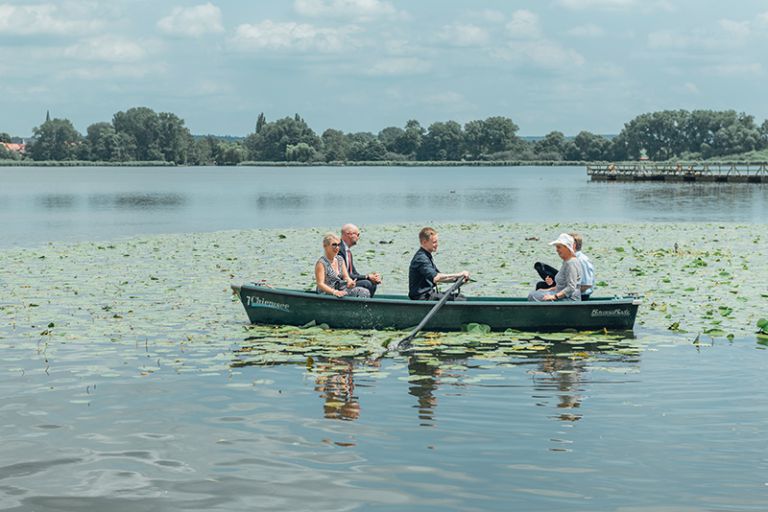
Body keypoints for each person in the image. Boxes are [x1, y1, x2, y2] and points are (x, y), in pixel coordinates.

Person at [408, 227, 470, 300]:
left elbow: (440, 278)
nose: (437, 244)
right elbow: (437, 277)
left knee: (460, 297)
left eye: (437, 242)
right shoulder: (421, 258)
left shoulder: (426, 256)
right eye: (434, 242)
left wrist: (457, 280)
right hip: (422, 297)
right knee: (460, 300)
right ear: (424, 242)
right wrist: (459, 274)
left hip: (429, 294)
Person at [533, 232, 595, 299]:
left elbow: (587, 285)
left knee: (538, 291)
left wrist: (560, 294)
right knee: (540, 276)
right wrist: (550, 289)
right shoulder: (569, 259)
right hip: (567, 289)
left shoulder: (582, 260)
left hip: (580, 296)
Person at [528, 233, 581, 302]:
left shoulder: (571, 263)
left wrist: (554, 296)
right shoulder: (567, 262)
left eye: (559, 247)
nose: (557, 250)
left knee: (532, 296)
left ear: (567, 247)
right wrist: (547, 290)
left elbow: (571, 288)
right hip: (561, 295)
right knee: (536, 293)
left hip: (570, 299)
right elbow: (562, 286)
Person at [315, 233, 370, 298]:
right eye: (334, 245)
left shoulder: (340, 259)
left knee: (364, 291)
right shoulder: (321, 263)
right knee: (359, 292)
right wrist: (334, 292)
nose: (337, 247)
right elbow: (320, 284)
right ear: (325, 246)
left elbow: (346, 277)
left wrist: (350, 282)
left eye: (338, 245)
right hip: (326, 292)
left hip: (340, 289)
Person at [338, 223, 382, 297]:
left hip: (349, 281)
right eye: (357, 235)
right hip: (340, 284)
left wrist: (372, 277)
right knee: (367, 283)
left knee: (372, 283)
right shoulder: (338, 250)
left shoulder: (348, 251)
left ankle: (368, 303)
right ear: (349, 234)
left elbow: (354, 273)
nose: (358, 237)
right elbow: (343, 274)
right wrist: (367, 277)